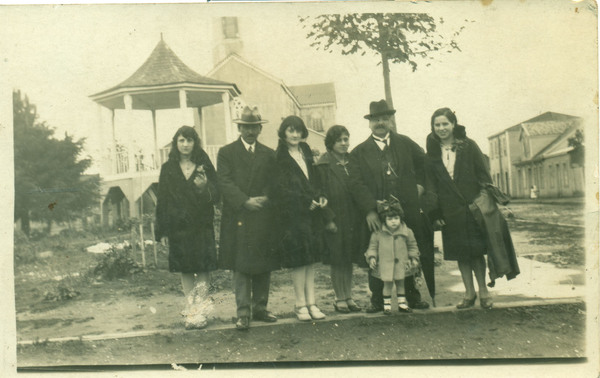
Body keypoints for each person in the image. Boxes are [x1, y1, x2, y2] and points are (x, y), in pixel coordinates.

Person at [349, 99, 433, 313]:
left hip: (407, 212)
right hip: (377, 214)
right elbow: (356, 184)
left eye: (385, 119)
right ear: (369, 123)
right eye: (376, 119)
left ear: (390, 121)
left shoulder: (405, 143)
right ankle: (377, 299)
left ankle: (413, 297)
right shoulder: (359, 152)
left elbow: (426, 164)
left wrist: (420, 185)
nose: (380, 123)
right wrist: (369, 209)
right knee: (377, 253)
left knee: (409, 251)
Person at [217, 106, 280, 331]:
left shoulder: (269, 153)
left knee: (263, 264)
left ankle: (261, 308)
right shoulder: (226, 153)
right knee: (241, 266)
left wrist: (264, 199)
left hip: (263, 215)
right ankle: (243, 312)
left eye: (254, 127)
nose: (250, 131)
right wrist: (244, 201)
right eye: (246, 127)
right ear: (240, 128)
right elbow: (224, 182)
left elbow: (275, 182)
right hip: (239, 217)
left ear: (260, 128)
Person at [424, 107, 493, 309]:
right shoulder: (432, 154)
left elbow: (484, 176)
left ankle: (484, 292)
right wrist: (435, 213)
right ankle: (469, 293)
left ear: (454, 124)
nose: (441, 128)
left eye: (445, 123)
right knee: (461, 253)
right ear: (433, 127)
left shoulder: (468, 146)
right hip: (450, 212)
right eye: (437, 125)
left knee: (477, 252)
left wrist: (483, 201)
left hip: (472, 208)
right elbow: (431, 186)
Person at [155, 125, 219, 328]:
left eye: (189, 140)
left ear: (195, 143)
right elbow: (162, 201)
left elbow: (217, 194)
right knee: (185, 269)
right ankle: (191, 310)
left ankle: (201, 311)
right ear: (176, 143)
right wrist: (163, 230)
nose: (185, 145)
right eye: (181, 140)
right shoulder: (168, 168)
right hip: (178, 226)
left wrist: (204, 188)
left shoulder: (204, 164)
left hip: (201, 224)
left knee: (202, 268)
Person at [273, 115, 329, 322]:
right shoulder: (279, 156)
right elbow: (282, 189)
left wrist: (321, 196)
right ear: (283, 133)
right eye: (290, 130)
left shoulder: (305, 150)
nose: (295, 134)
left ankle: (312, 302)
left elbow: (314, 179)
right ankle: (299, 304)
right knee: (299, 260)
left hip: (312, 213)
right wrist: (305, 201)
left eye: (298, 130)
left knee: (310, 259)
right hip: (293, 214)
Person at [315, 125, 363, 313]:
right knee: (337, 259)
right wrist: (328, 219)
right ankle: (339, 298)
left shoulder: (352, 161)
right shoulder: (323, 164)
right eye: (340, 140)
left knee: (348, 258)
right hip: (335, 218)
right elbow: (319, 193)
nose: (344, 143)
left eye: (346, 139)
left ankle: (349, 296)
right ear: (331, 143)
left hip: (352, 218)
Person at [365, 196, 420, 314]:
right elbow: (373, 247)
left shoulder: (407, 231)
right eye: (390, 219)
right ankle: (387, 305)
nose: (393, 221)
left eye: (396, 218)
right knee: (387, 285)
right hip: (386, 266)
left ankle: (402, 304)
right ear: (384, 219)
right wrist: (372, 257)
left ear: (400, 218)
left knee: (401, 284)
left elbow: (412, 246)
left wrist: (413, 257)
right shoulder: (378, 233)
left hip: (401, 264)